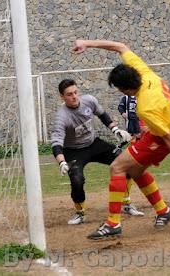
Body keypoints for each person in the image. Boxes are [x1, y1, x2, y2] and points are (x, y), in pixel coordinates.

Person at [72, 39, 170, 239]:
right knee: (134, 169)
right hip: (166, 126)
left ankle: (112, 223)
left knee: (117, 167)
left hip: (166, 136)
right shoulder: (144, 72)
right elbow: (120, 47)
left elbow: (168, 138)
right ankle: (163, 211)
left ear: (124, 90)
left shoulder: (145, 106)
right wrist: (87, 43)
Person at [51, 79, 144, 225]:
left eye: (75, 92)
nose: (74, 96)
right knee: (77, 180)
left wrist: (115, 129)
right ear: (62, 97)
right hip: (74, 151)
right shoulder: (61, 117)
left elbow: (102, 115)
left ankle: (126, 204)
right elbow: (56, 143)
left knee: (125, 162)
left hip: (94, 143)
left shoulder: (89, 101)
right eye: (69, 94)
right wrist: (62, 162)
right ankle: (80, 212)